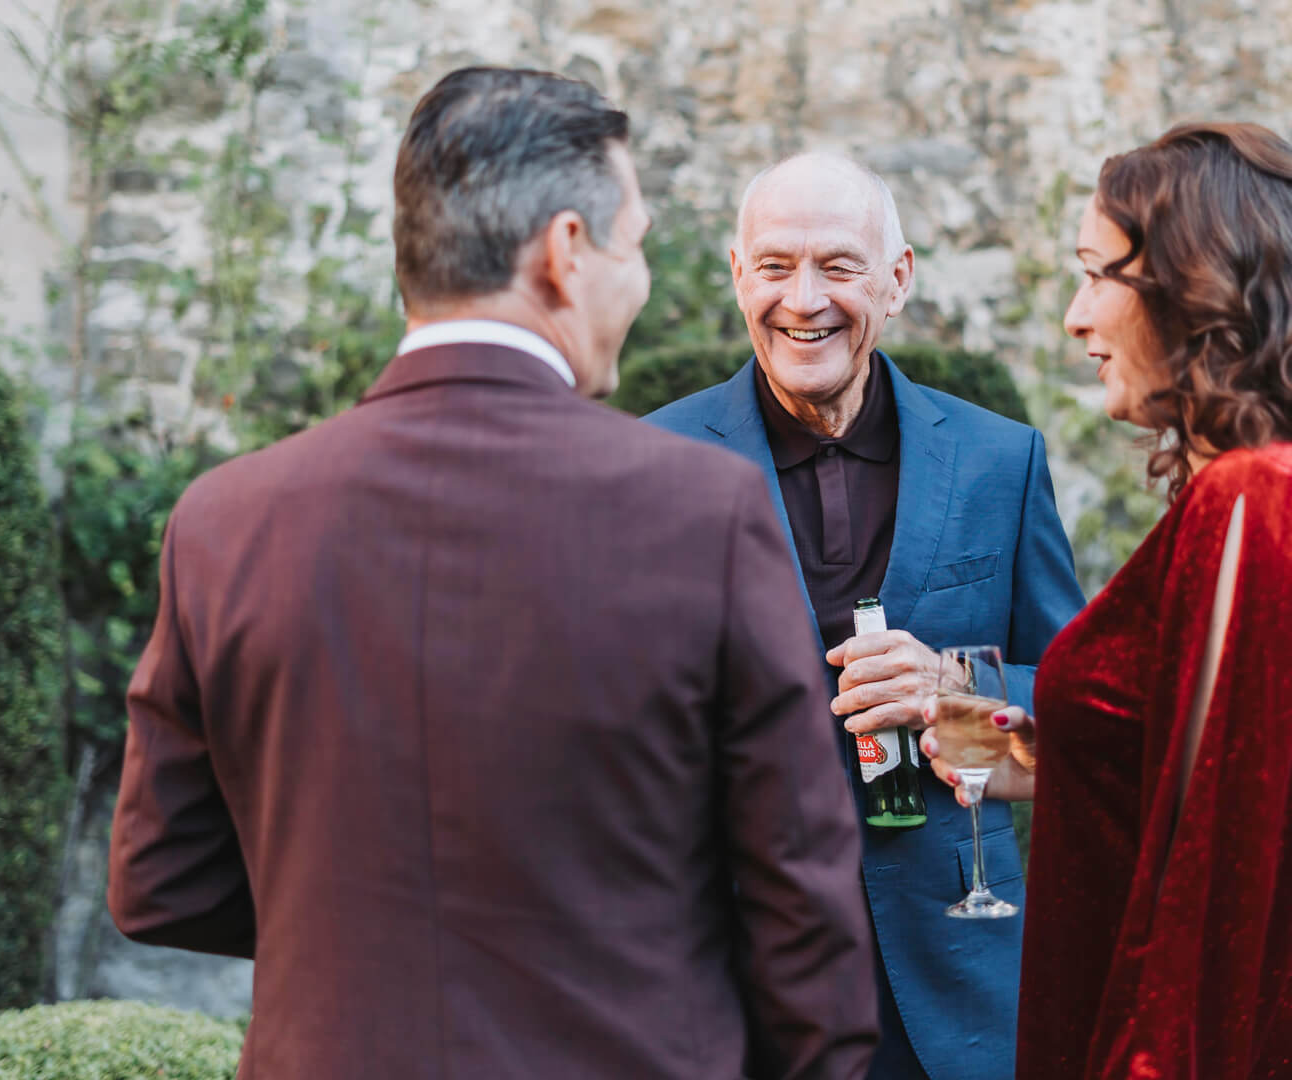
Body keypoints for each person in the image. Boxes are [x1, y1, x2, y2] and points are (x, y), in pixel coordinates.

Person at [107, 68, 879, 1080]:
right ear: (566, 253)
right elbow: (802, 910)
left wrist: (367, 930)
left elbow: (161, 878)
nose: (638, 280)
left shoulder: (224, 521)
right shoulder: (706, 513)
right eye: (634, 244)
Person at [922, 123, 1292, 1079]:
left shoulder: (1265, 501)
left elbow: (1227, 894)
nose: (1075, 316)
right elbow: (1241, 773)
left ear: (1196, 287)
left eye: (1097, 274)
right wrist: (1059, 756)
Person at [647, 152, 1085, 1080]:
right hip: (724, 989)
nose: (803, 299)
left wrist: (957, 697)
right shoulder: (650, 463)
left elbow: (1080, 741)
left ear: (898, 280)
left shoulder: (1001, 461)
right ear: (737, 275)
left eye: (838, 266)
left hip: (951, 989)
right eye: (774, 266)